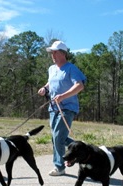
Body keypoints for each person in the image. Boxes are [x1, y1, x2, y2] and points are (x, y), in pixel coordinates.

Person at [38, 40, 86, 176]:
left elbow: (80, 85)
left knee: (58, 137)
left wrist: (63, 96)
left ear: (62, 53)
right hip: (53, 107)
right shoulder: (51, 69)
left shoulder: (71, 68)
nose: (52, 55)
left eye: (55, 52)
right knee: (57, 137)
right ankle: (84, 148)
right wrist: (44, 89)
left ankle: (59, 167)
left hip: (67, 107)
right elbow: (50, 82)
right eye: (51, 52)